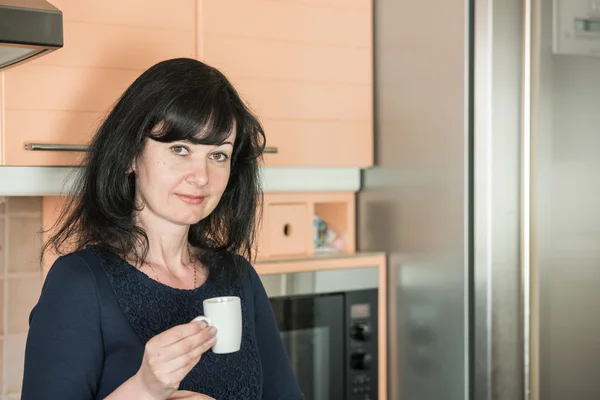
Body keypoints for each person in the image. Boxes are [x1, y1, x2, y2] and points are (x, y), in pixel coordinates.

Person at [21, 58, 304, 400]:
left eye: (218, 155)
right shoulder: (79, 283)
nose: (201, 176)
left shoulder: (238, 278)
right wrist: (145, 388)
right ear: (129, 155)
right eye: (180, 149)